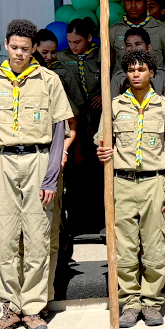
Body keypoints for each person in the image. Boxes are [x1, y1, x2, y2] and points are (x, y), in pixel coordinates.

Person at [0, 19, 73, 329]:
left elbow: (59, 131)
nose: (19, 53)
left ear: (34, 48)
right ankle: (10, 307)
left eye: (25, 48)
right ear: (6, 45)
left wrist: (50, 178)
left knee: (38, 237)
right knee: (7, 236)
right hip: (2, 163)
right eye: (14, 47)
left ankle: (34, 308)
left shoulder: (49, 80)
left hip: (39, 160)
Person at [95, 50, 165, 327]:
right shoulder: (114, 107)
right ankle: (130, 303)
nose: (136, 74)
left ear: (152, 73)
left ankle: (151, 303)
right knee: (124, 247)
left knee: (155, 246)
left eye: (141, 69)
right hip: (122, 183)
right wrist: (103, 153)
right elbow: (103, 144)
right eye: (131, 70)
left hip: (154, 183)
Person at [33, 30, 82, 305]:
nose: (49, 58)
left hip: (53, 163)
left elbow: (72, 121)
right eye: (44, 53)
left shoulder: (54, 81)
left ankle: (57, 273)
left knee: (56, 220)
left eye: (53, 52)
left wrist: (63, 151)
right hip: (26, 164)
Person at [57, 18, 104, 235]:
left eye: (77, 42)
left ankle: (99, 220)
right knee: (76, 170)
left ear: (89, 38)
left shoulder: (101, 55)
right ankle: (76, 221)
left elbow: (113, 78)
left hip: (97, 118)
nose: (73, 46)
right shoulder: (61, 58)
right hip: (74, 118)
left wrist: (104, 94)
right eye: (69, 42)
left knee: (98, 169)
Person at [109, 0, 165, 70]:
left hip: (154, 79)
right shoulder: (113, 31)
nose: (133, 5)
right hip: (121, 79)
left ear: (146, 2)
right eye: (129, 0)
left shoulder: (163, 30)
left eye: (138, 0)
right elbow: (106, 66)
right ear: (123, 2)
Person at [110, 27, 165, 102]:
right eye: (128, 45)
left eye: (138, 44)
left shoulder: (162, 76)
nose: (133, 49)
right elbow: (112, 106)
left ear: (149, 48)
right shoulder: (118, 78)